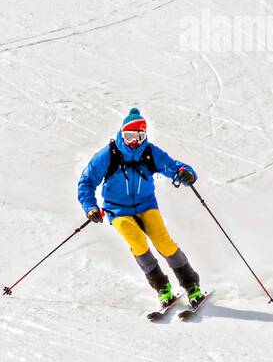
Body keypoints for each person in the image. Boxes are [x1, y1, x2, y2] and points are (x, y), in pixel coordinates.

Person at [77, 107, 203, 309]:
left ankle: (191, 284)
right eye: (129, 135)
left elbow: (173, 166)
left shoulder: (149, 152)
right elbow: (87, 181)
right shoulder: (109, 155)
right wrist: (90, 207)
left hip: (146, 205)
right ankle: (162, 287)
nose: (134, 141)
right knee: (137, 242)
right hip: (117, 209)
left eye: (139, 135)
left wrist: (186, 173)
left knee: (163, 242)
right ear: (121, 134)